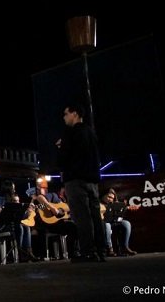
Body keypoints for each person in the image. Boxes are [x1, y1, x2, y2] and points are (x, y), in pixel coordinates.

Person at [56, 103, 106, 262]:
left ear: (75, 114)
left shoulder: (70, 133)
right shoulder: (90, 132)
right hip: (92, 180)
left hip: (76, 180)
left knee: (82, 216)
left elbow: (64, 159)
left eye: (66, 113)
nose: (64, 117)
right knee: (95, 216)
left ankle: (88, 252)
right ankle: (101, 250)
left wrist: (61, 146)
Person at [101, 189, 137, 257]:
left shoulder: (115, 205)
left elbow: (119, 214)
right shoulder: (99, 204)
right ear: (103, 195)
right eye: (108, 197)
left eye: (112, 198)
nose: (109, 199)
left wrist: (124, 210)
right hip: (104, 223)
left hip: (113, 221)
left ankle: (125, 247)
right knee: (107, 225)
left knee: (126, 223)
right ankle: (109, 249)